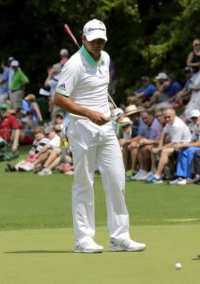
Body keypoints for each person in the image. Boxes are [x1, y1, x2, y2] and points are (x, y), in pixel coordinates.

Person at [53, 19, 146, 253]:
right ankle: (83, 239)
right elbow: (60, 99)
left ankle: (120, 237)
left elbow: (98, 92)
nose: (97, 44)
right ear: (83, 39)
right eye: (93, 40)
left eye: (101, 40)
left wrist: (111, 110)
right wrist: (89, 113)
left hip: (105, 128)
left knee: (117, 180)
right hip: (82, 129)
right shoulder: (74, 64)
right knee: (84, 183)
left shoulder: (105, 58)